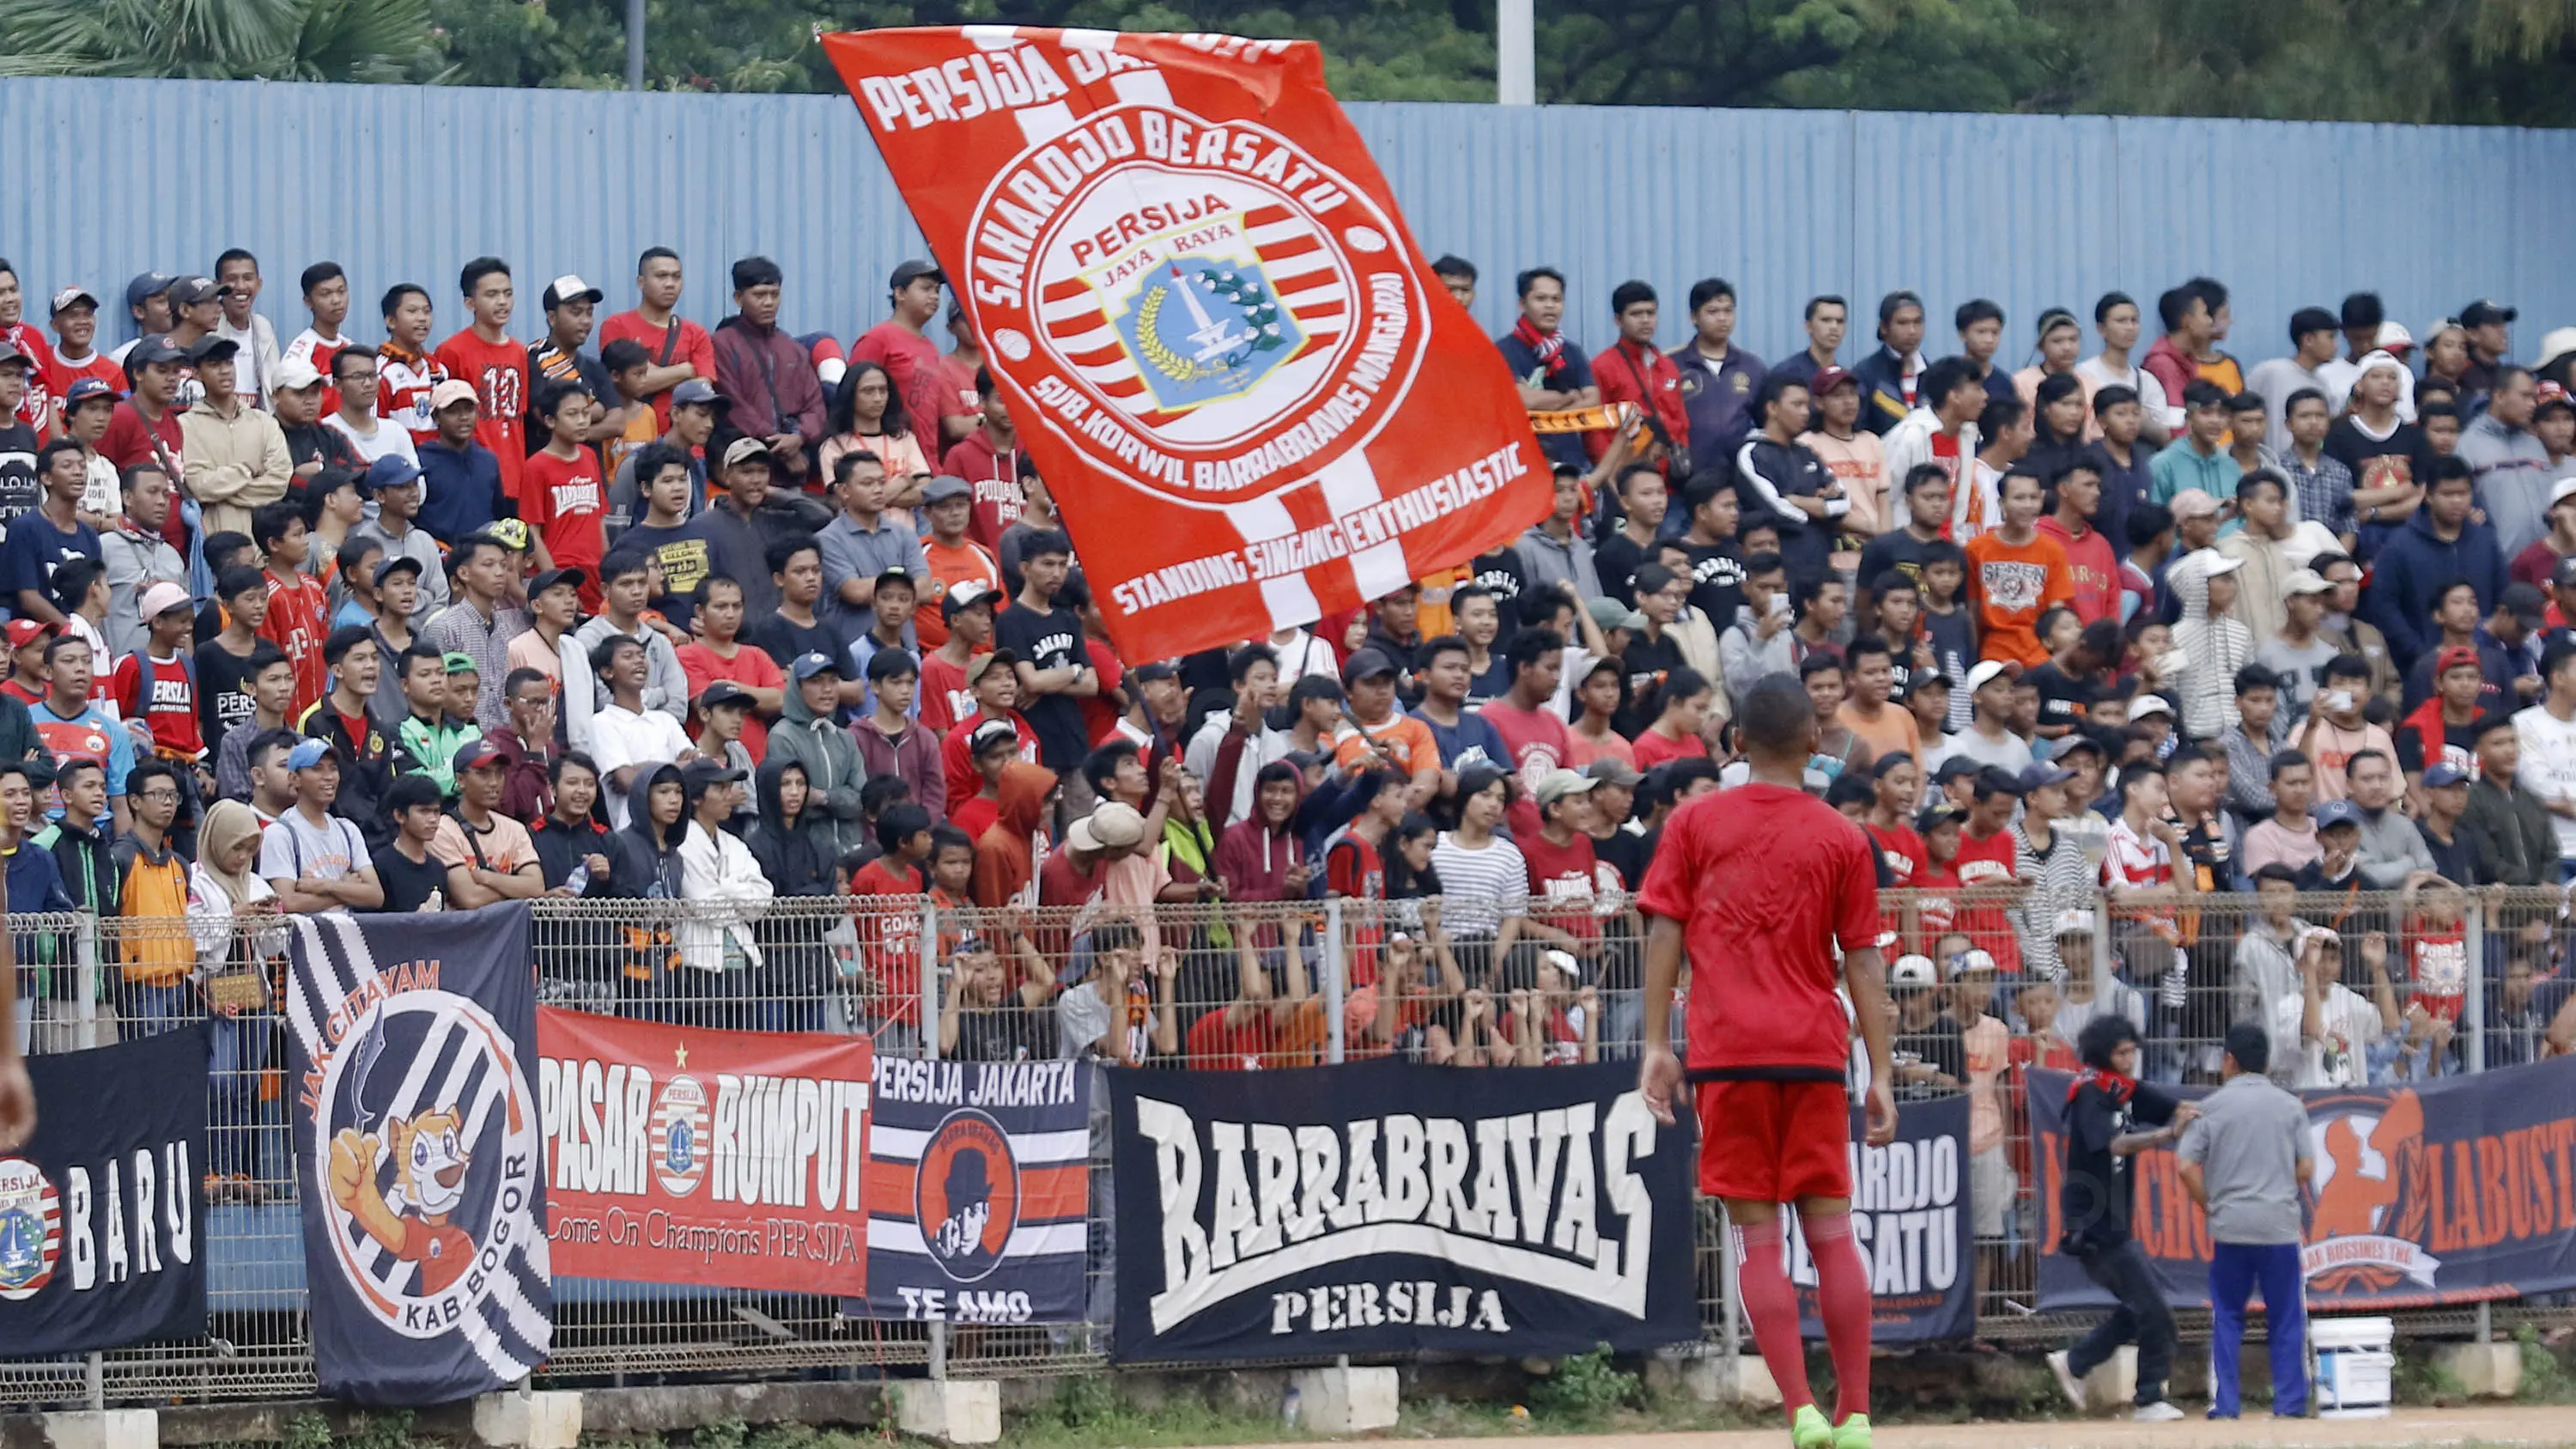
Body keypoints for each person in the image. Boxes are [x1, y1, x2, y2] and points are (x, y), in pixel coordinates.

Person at [1636, 673, 1891, 1449]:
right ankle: (1857, 1414)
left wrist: (1654, 1043)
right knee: (1833, 1233)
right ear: (1816, 741)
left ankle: (1800, 1410)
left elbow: (1663, 934)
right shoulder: (1843, 837)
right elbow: (1864, 962)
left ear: (1736, 742)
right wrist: (1879, 1069)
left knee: (1759, 1241)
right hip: (1815, 1050)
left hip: (1727, 1053)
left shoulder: (1694, 824)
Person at [2045, 1014, 2194, 1422]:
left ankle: (2076, 1362)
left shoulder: (2122, 1089)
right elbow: (2115, 1143)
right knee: (2156, 1312)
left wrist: (2193, 1113)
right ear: (2102, 1055)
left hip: (2114, 1221)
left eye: (2132, 1051)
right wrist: (2166, 1136)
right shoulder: (2091, 1094)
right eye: (2121, 1053)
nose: (2129, 1060)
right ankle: (2149, 1397)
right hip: (2094, 1225)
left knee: (2136, 1308)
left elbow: (2171, 1107)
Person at [2178, 1021, 2313, 1422]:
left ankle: (2227, 1404)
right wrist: (2276, 1186)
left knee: (2229, 1315)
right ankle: (2289, 1405)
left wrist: (2211, 1205)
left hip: (2230, 1226)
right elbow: (2305, 1167)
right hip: (2278, 1226)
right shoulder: (2290, 1106)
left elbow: (2185, 1166)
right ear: (2267, 1062)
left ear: (2229, 1061)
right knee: (2287, 1315)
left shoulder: (2212, 1106)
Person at [258, 739, 384, 914]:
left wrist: (326, 885)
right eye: (317, 769)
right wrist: (347, 888)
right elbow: (288, 903)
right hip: (306, 937)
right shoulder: (280, 833)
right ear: (295, 779)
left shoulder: (347, 829)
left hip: (348, 935)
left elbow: (376, 895)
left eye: (333, 768)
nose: (329, 776)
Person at [1965, 472, 2071, 667]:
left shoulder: (2053, 551)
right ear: (2001, 504)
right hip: (1992, 656)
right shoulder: (1976, 549)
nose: (2027, 505)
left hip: (2038, 657)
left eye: (2033, 498)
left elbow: (2056, 614)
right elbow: (1972, 611)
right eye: (2019, 498)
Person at [436, 737, 546, 907]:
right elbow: (470, 898)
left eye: (500, 773)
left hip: (507, 930)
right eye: (483, 773)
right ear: (460, 780)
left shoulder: (514, 829)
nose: (494, 783)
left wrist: (487, 878)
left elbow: (537, 887)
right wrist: (515, 889)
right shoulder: (442, 829)